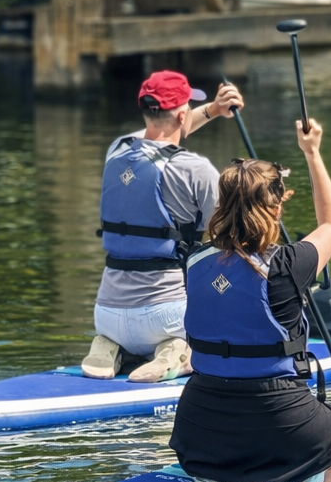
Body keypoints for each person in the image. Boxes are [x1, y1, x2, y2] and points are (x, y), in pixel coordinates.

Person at [169, 118, 331, 482]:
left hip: (199, 434)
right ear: (276, 209)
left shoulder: (193, 260)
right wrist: (312, 152)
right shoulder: (288, 264)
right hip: (279, 419)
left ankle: (239, 476)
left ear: (221, 204)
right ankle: (288, 481)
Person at [82, 71, 245, 382]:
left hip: (106, 313)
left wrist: (212, 110)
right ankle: (178, 349)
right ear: (183, 114)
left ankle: (111, 346)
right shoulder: (196, 170)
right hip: (166, 317)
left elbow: (158, 137)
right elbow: (233, 235)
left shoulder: (117, 149)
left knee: (118, 327)